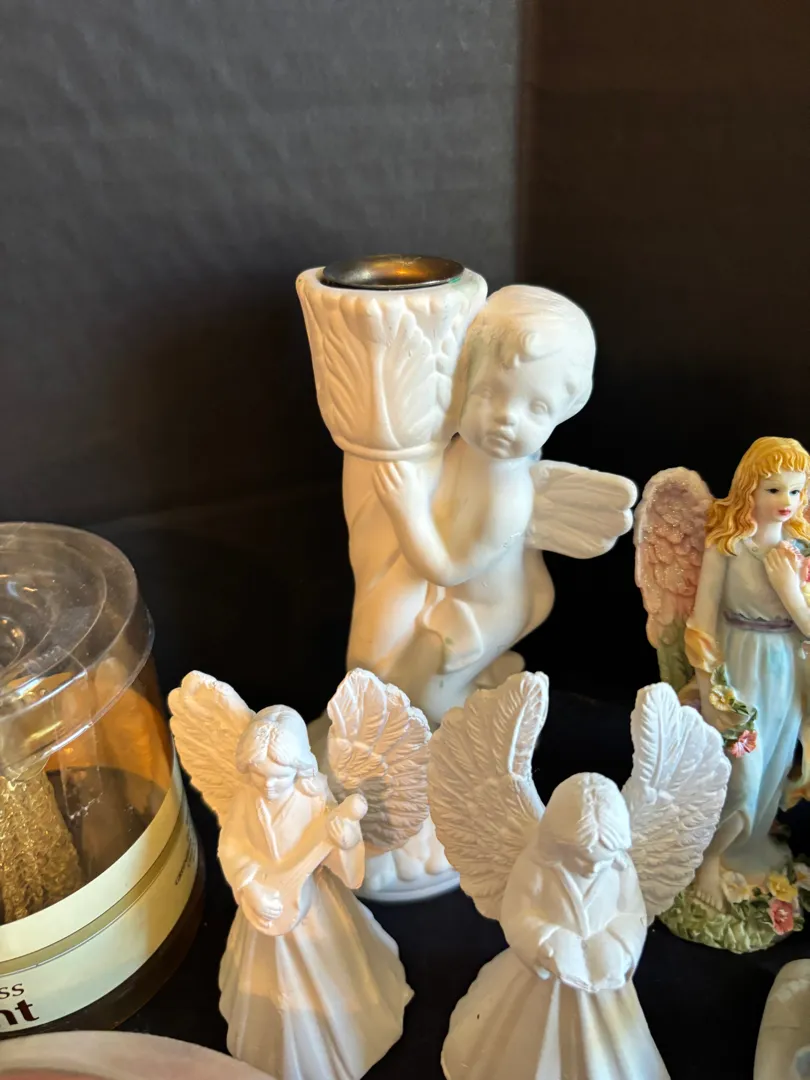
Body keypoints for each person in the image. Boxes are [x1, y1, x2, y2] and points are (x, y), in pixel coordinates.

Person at [218, 706, 412, 1080]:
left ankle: (337, 1049)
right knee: (266, 988)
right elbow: (233, 847)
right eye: (259, 775)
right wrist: (248, 885)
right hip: (266, 907)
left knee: (335, 978)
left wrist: (347, 841)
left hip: (317, 911)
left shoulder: (315, 802)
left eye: (278, 776)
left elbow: (348, 873)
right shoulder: (246, 801)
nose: (268, 785)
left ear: (299, 767)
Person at [440, 773, 666, 1080]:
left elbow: (632, 912)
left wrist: (619, 946)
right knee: (525, 1040)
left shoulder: (621, 867)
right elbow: (518, 913)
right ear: (556, 843)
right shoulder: (535, 866)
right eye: (582, 860)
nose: (592, 869)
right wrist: (547, 941)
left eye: (602, 860)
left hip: (603, 975)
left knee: (609, 1052)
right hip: (545, 970)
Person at [686, 437, 810, 906]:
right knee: (741, 772)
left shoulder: (800, 550)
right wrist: (710, 689)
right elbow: (701, 623)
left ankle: (751, 844)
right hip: (738, 667)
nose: (786, 501)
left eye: (795, 491)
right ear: (749, 490)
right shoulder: (727, 547)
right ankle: (711, 858)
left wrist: (789, 588)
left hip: (786, 670)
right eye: (773, 489)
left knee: (775, 765)